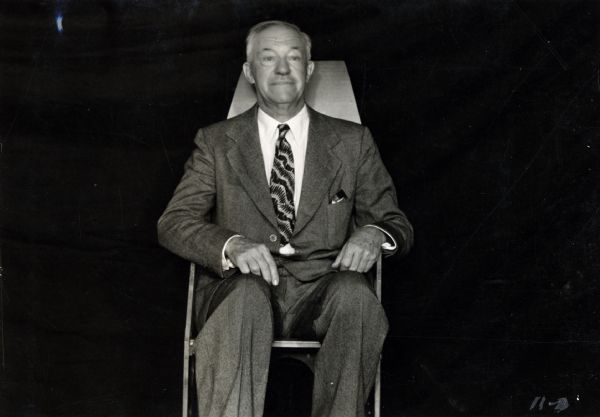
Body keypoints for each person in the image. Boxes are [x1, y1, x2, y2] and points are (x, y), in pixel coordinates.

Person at [157, 20, 413, 417]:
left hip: (322, 289)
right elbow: (173, 222)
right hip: (241, 290)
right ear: (249, 72)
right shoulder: (216, 142)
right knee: (245, 298)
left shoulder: (353, 141)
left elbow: (394, 221)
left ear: (309, 70)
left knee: (357, 300)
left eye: (294, 58)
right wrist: (231, 244)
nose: (282, 69)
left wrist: (373, 234)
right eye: (268, 58)